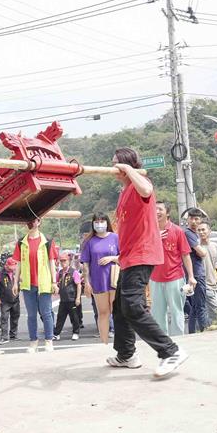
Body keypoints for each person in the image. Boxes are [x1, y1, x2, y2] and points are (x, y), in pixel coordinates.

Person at [106, 147, 187, 378]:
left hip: (142, 254)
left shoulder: (140, 184)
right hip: (129, 256)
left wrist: (131, 170)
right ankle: (126, 354)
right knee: (120, 308)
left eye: (116, 164)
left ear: (127, 165)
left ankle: (170, 351)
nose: (113, 169)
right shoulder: (123, 192)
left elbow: (147, 188)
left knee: (132, 306)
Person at [12, 218, 58, 354]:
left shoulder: (47, 241)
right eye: (28, 221)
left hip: (44, 282)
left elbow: (52, 263)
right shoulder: (21, 242)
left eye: (33, 220)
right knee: (31, 315)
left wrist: (54, 282)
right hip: (28, 283)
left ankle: (49, 340)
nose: (30, 223)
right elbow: (19, 264)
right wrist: (15, 282)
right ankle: (33, 342)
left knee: (46, 312)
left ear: (39, 222)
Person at [150, 201, 194, 336]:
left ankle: (179, 341)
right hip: (155, 278)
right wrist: (155, 238)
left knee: (176, 312)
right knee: (157, 313)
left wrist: (191, 276)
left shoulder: (177, 231)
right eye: (154, 209)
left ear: (167, 213)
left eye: (160, 209)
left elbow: (186, 255)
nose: (157, 212)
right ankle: (162, 343)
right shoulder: (149, 231)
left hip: (175, 278)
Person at [79, 212, 120, 344]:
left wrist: (112, 258)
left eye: (102, 221)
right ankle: (104, 343)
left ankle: (120, 344)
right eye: (96, 221)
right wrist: (87, 283)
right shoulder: (89, 241)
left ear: (107, 222)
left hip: (114, 280)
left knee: (117, 312)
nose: (99, 224)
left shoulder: (115, 237)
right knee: (103, 313)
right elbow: (85, 264)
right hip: (98, 281)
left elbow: (125, 257)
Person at [183, 207, 209, 333]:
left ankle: (192, 333)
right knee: (201, 306)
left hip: (193, 273)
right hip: (196, 274)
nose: (193, 221)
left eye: (196, 219)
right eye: (191, 218)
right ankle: (205, 331)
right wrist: (202, 251)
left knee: (194, 306)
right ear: (187, 219)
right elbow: (202, 253)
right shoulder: (188, 233)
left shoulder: (194, 234)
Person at [197, 222, 217, 324]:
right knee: (203, 310)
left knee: (213, 310)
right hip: (200, 283)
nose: (201, 232)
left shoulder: (215, 246)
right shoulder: (196, 246)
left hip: (212, 283)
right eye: (199, 230)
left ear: (209, 231)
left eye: (203, 229)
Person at [53, 253, 81, 340]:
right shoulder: (60, 273)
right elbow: (56, 282)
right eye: (61, 261)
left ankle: (76, 332)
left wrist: (78, 298)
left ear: (68, 261)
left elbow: (78, 285)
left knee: (74, 317)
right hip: (63, 300)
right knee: (60, 317)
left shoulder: (74, 272)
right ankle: (56, 334)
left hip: (72, 299)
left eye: (64, 260)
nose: (63, 262)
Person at [0, 258, 20, 344]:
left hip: (15, 299)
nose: (13, 267)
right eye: (12, 266)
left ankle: (13, 335)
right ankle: (4, 337)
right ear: (7, 265)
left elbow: (21, 280)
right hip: (5, 300)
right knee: (4, 318)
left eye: (14, 265)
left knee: (15, 317)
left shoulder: (16, 271)